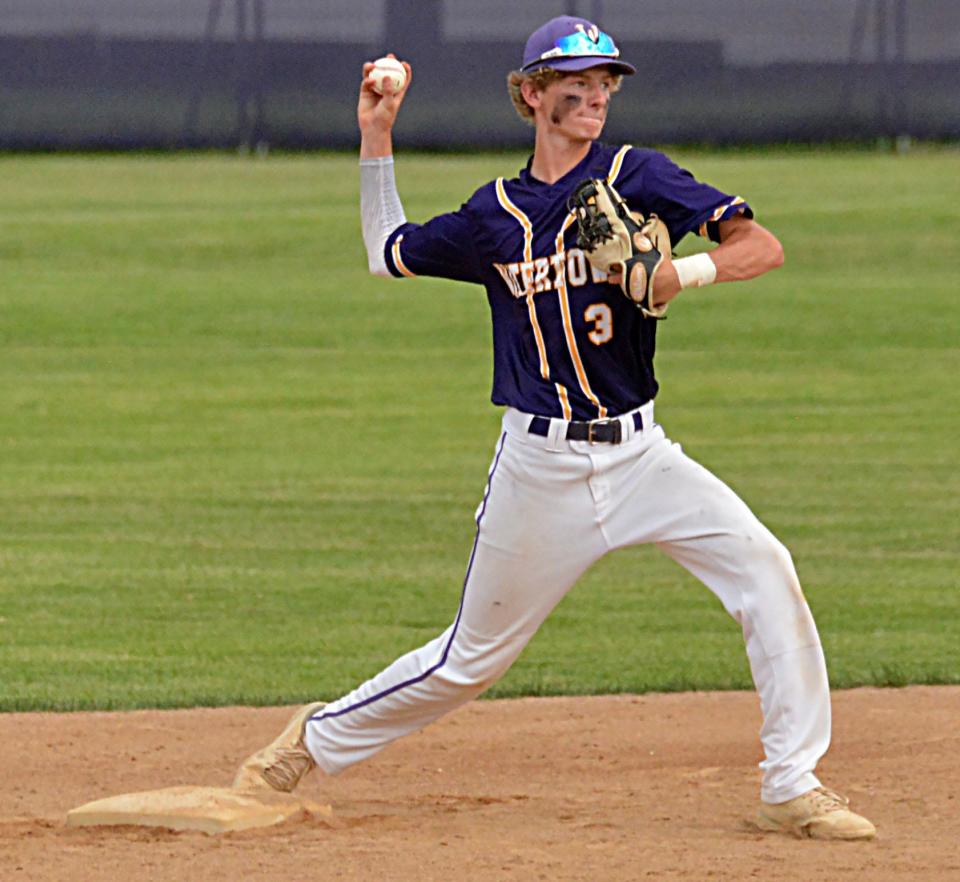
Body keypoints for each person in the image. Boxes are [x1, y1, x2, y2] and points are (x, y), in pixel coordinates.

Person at [235, 15, 876, 841]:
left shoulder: (635, 176)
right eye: (578, 80)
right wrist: (376, 135)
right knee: (470, 661)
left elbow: (761, 245)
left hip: (645, 456)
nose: (597, 93)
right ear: (532, 94)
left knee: (765, 567)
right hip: (540, 468)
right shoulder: (492, 213)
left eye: (608, 80)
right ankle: (311, 739)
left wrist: (678, 273)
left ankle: (791, 783)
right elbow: (384, 247)